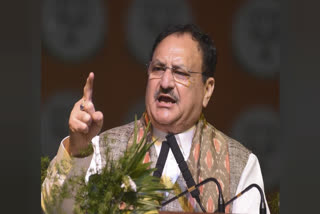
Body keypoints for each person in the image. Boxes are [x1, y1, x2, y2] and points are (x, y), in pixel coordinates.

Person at [42, 24, 270, 214]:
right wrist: (78, 150)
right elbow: (56, 208)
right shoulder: (105, 150)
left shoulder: (239, 164)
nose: (166, 82)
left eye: (180, 73)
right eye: (158, 68)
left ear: (207, 90)